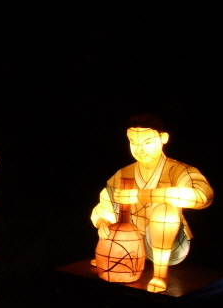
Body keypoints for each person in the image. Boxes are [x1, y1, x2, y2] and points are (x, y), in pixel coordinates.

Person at [91, 113, 213, 292]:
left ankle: (160, 275)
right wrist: (102, 222)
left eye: (147, 142)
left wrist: (142, 195)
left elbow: (203, 196)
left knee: (164, 212)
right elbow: (104, 204)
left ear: (163, 138)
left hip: (167, 245)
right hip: (129, 244)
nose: (139, 149)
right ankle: (110, 255)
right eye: (133, 142)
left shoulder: (179, 170)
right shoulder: (123, 173)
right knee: (113, 199)